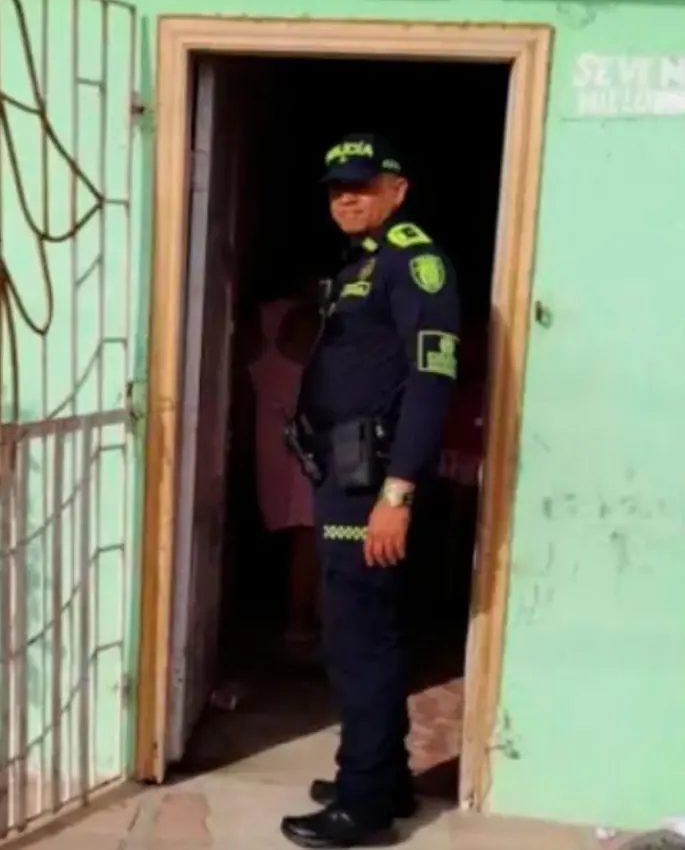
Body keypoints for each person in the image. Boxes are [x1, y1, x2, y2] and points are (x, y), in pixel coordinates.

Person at [280, 133, 460, 848]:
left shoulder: (415, 264)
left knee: (360, 641)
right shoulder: (362, 262)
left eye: (360, 185)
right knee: (360, 631)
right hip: (344, 473)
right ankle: (383, 777)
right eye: (336, 188)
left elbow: (432, 380)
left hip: (373, 480)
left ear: (397, 189)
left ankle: (364, 806)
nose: (346, 198)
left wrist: (398, 492)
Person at [247, 292, 321, 642]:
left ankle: (287, 616)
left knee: (289, 533)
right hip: (303, 443)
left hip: (268, 438)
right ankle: (300, 622)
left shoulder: (257, 321)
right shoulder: (311, 318)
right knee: (308, 534)